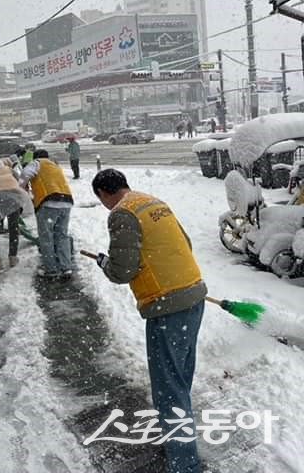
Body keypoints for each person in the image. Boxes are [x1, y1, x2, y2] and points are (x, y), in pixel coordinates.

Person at [91, 168, 207, 473]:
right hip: (193, 294)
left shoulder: (121, 214)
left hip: (167, 305)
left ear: (103, 194)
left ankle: (184, 463)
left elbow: (122, 270)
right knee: (179, 378)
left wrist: (105, 262)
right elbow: (186, 242)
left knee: (169, 387)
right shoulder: (152, 201)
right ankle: (178, 436)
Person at [19, 149, 74, 278]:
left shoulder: (36, 163)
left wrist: (22, 187)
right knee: (62, 236)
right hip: (66, 201)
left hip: (49, 202)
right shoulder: (54, 165)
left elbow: (25, 174)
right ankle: (66, 268)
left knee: (46, 237)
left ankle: (51, 270)